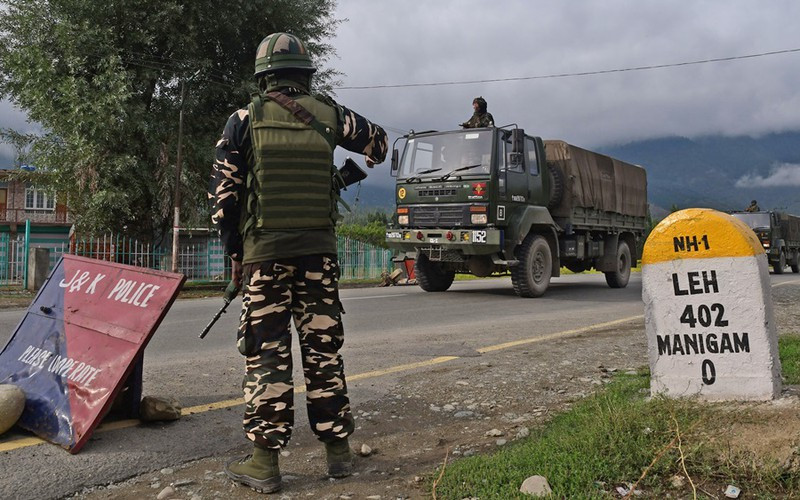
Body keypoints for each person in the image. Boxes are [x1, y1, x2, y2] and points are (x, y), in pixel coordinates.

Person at [209, 32, 388, 494]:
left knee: (268, 355)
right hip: (319, 257)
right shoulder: (332, 115)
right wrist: (335, 176)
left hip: (264, 259)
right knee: (323, 353)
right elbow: (380, 145)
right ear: (306, 75)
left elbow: (224, 203)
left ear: (264, 77)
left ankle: (265, 464)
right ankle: (339, 455)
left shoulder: (242, 120)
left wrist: (235, 254)